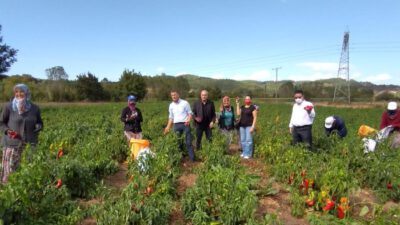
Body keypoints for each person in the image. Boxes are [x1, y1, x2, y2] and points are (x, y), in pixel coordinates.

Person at [0, 84, 43, 184]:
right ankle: (9, 191)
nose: (19, 94)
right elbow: (1, 122)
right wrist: (8, 131)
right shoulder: (9, 107)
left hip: (29, 143)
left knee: (28, 168)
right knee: (11, 169)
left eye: (21, 92)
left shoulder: (34, 108)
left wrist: (38, 126)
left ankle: (26, 190)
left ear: (27, 93)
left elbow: (39, 122)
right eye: (16, 92)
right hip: (12, 143)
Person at [164, 90, 195, 161]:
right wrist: (168, 127)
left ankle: (192, 159)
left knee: (188, 142)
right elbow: (171, 117)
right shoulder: (171, 105)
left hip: (185, 124)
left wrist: (188, 120)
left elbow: (190, 113)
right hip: (176, 125)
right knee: (177, 142)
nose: (173, 96)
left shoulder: (185, 103)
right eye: (172, 95)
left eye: (175, 95)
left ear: (178, 94)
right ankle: (180, 158)